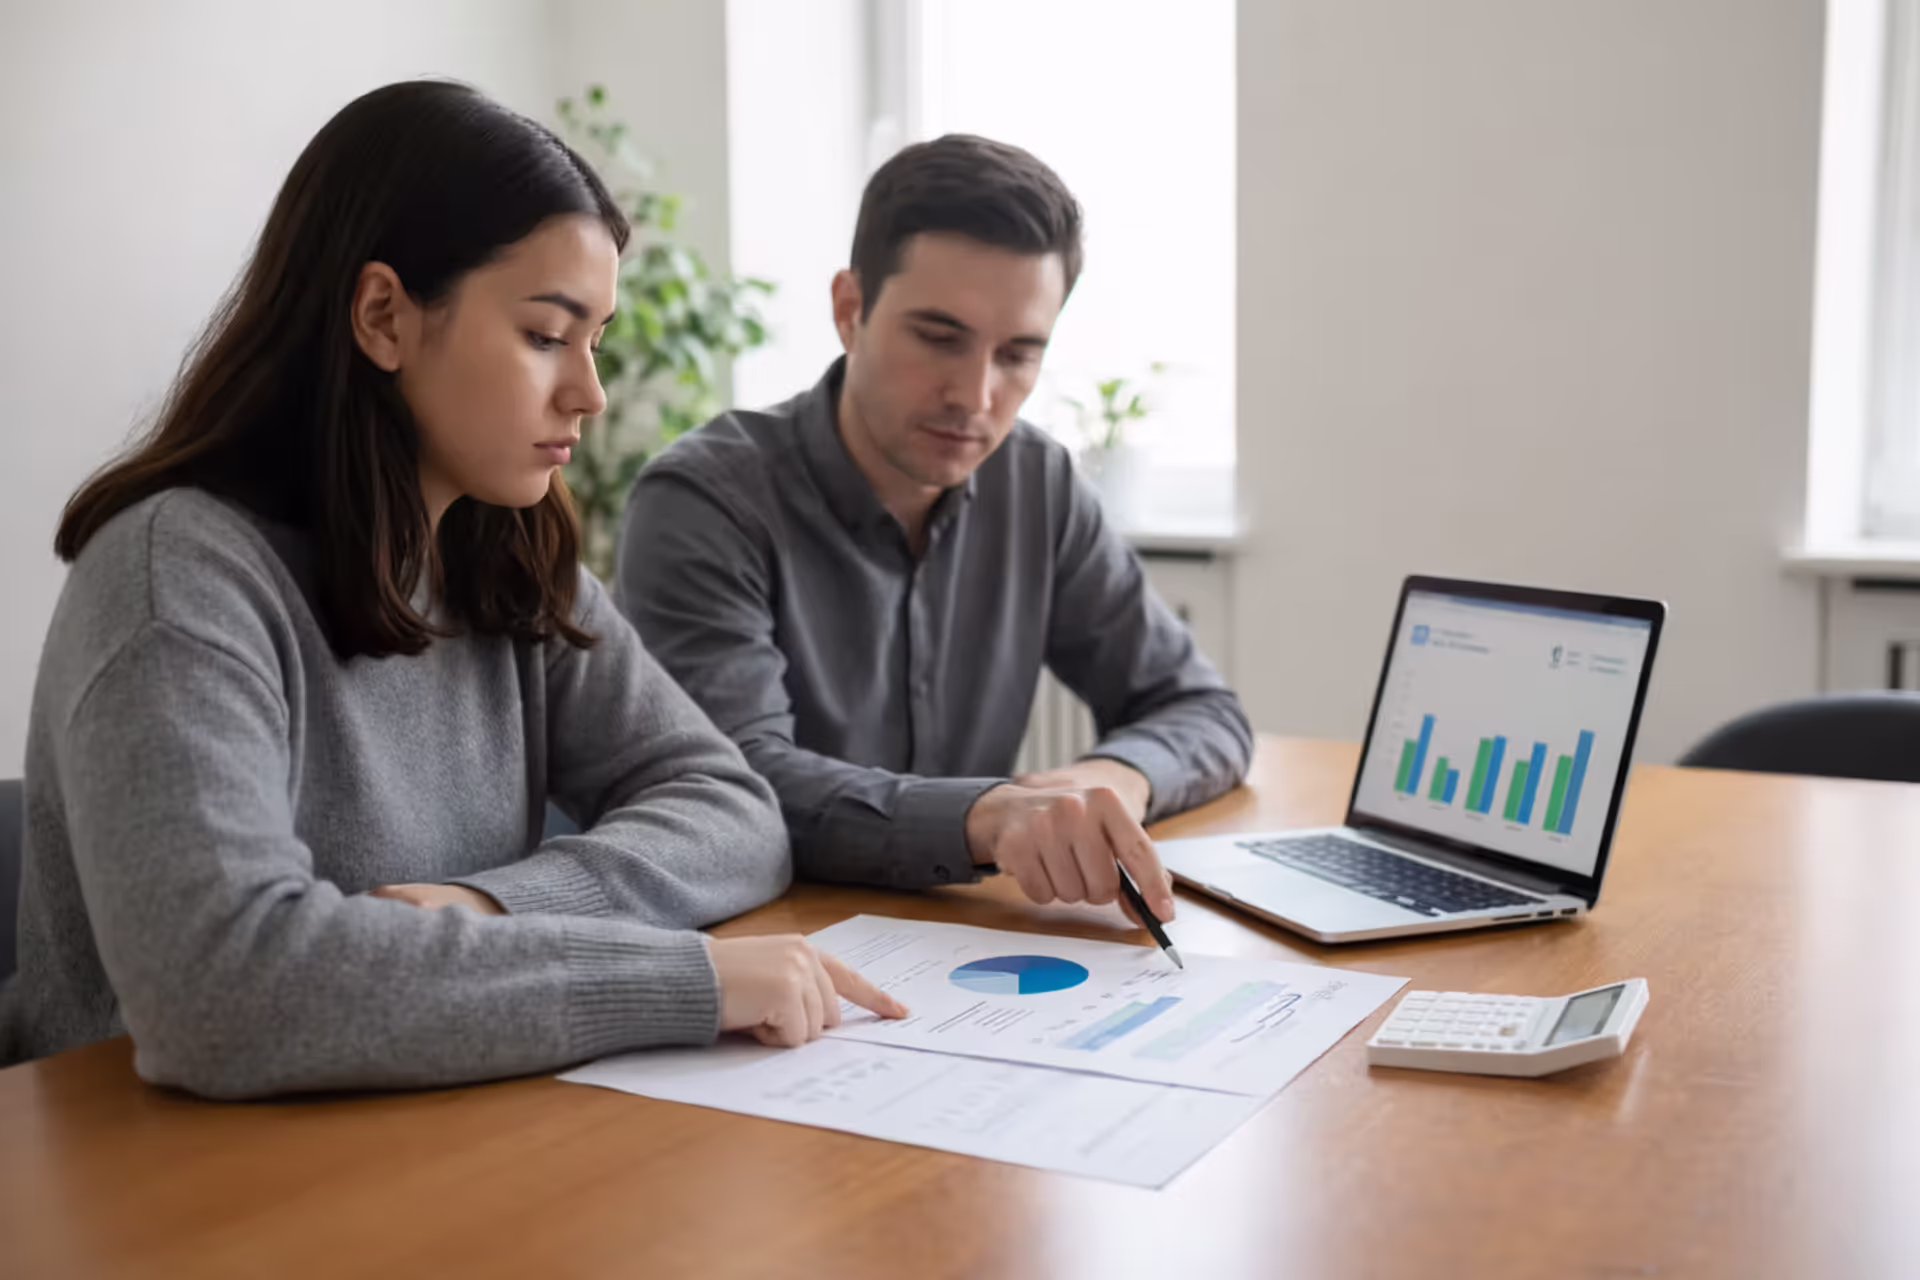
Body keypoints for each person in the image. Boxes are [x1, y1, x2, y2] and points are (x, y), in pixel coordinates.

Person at [0, 80, 903, 1098]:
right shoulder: (175, 575)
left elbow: (733, 810)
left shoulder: (508, 559)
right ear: (384, 316)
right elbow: (222, 991)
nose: (590, 392)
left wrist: (491, 908)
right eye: (545, 333)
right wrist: (673, 979)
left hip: (413, 1132)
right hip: (147, 1182)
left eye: (594, 338)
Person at [617, 135, 1253, 924]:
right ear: (850, 310)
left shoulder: (1038, 483)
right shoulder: (703, 501)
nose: (976, 394)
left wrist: (1119, 775)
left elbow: (1203, 709)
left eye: (1019, 354)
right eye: (939, 338)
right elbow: (736, 783)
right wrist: (986, 816)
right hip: (762, 950)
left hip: (956, 949)